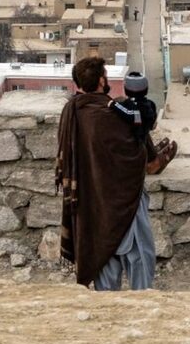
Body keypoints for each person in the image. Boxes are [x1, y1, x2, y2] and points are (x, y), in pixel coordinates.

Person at [56, 54, 167, 290]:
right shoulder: (114, 114)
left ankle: (107, 306)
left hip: (92, 205)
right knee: (138, 256)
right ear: (100, 81)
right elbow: (141, 157)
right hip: (125, 201)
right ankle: (142, 303)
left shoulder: (71, 112)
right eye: (105, 76)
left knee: (102, 260)